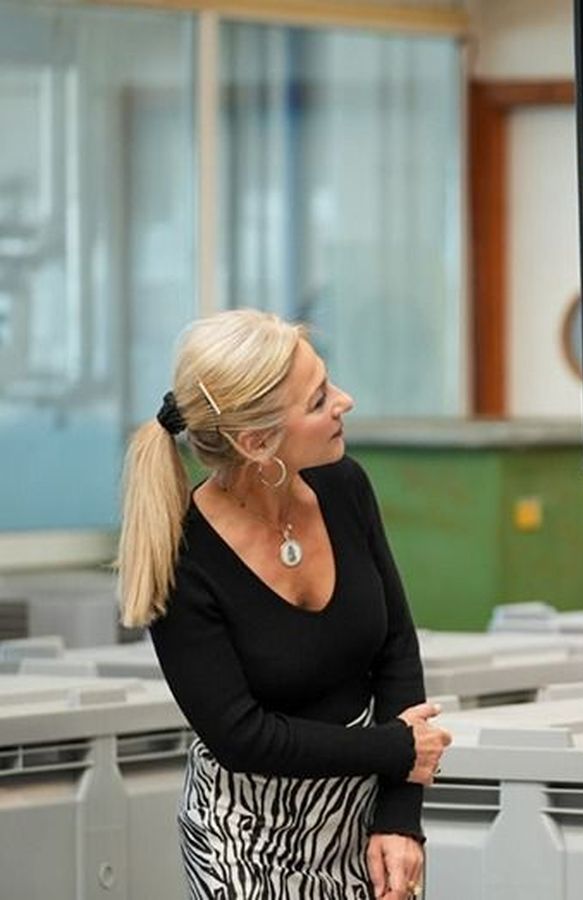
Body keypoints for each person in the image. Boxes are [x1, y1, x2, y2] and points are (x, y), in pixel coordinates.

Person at [116, 309, 451, 900]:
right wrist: (395, 750)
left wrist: (400, 818)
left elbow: (396, 648)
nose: (344, 401)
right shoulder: (183, 555)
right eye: (319, 399)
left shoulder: (344, 485)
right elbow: (241, 734)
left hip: (362, 820)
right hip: (244, 840)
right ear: (256, 442)